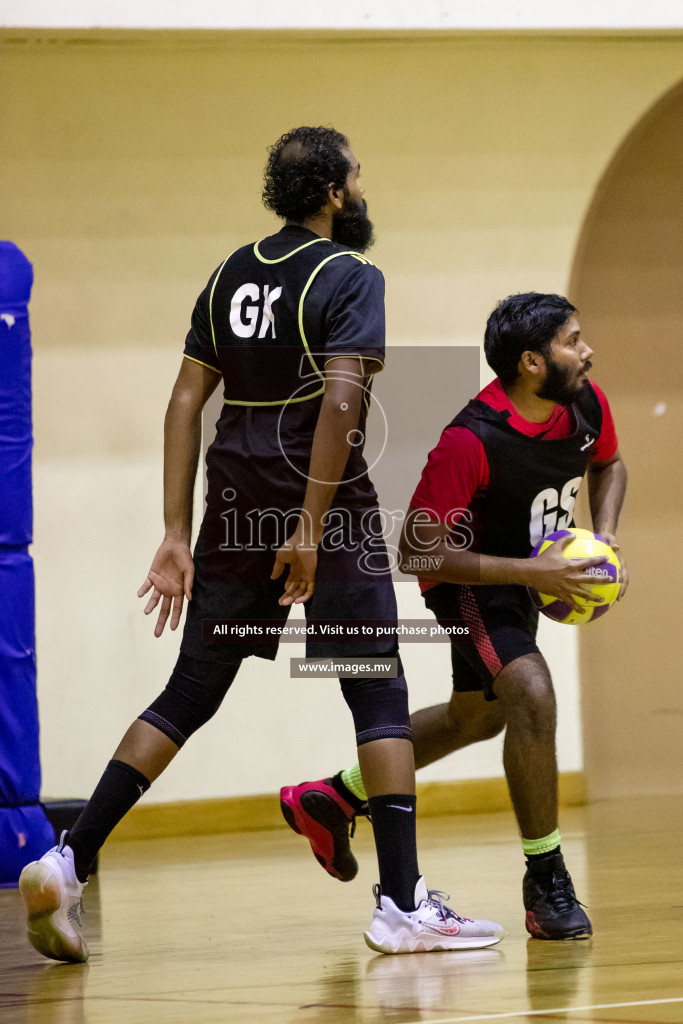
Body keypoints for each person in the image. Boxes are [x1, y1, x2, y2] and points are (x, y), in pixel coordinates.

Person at [19, 126, 503, 963]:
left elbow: (183, 401)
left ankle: (70, 858)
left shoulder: (228, 272)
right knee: (378, 697)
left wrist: (175, 530)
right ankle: (401, 905)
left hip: (231, 504)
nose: (362, 189)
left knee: (190, 692)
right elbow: (343, 401)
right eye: (358, 178)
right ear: (332, 194)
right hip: (327, 513)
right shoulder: (350, 275)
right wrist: (311, 531)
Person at [280, 291, 628, 941]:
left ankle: (333, 796)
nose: (586, 352)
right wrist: (533, 574)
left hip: (524, 577)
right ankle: (545, 878)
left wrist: (603, 542)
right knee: (529, 691)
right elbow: (417, 549)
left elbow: (609, 465)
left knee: (478, 716)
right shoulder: (470, 440)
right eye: (572, 341)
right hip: (468, 583)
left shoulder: (585, 403)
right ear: (530, 362)